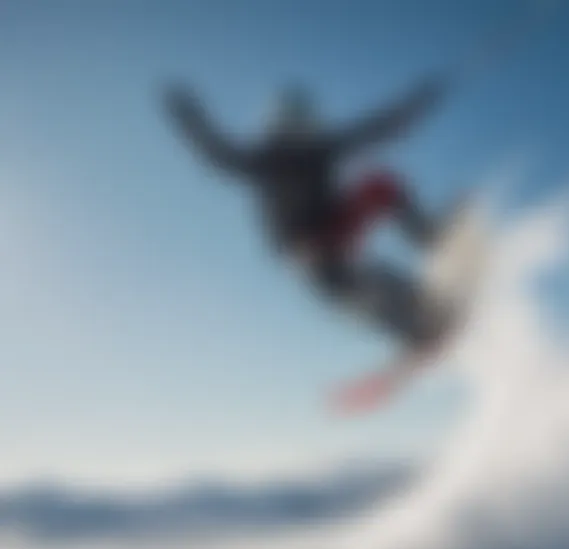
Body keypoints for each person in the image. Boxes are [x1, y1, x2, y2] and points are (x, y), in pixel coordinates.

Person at [161, 77, 453, 351]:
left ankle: (428, 244)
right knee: (359, 286)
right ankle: (413, 327)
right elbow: (218, 152)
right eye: (293, 127)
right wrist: (190, 119)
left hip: (334, 228)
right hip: (307, 251)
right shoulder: (264, 159)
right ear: (280, 126)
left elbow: (372, 130)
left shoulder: (319, 149)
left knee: (381, 186)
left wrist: (415, 105)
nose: (298, 136)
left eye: (302, 125)